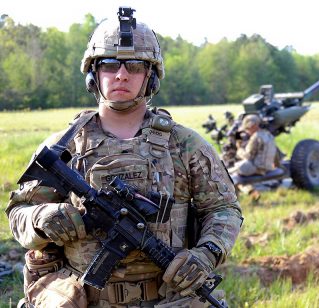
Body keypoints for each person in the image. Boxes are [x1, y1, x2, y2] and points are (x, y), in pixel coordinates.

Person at [6, 7, 242, 308]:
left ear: (150, 76)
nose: (121, 74)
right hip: (81, 298)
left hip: (167, 299)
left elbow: (224, 209)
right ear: (94, 73)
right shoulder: (63, 148)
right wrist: (41, 219)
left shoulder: (184, 144)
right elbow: (18, 214)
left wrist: (206, 253)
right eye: (109, 64)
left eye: (134, 65)